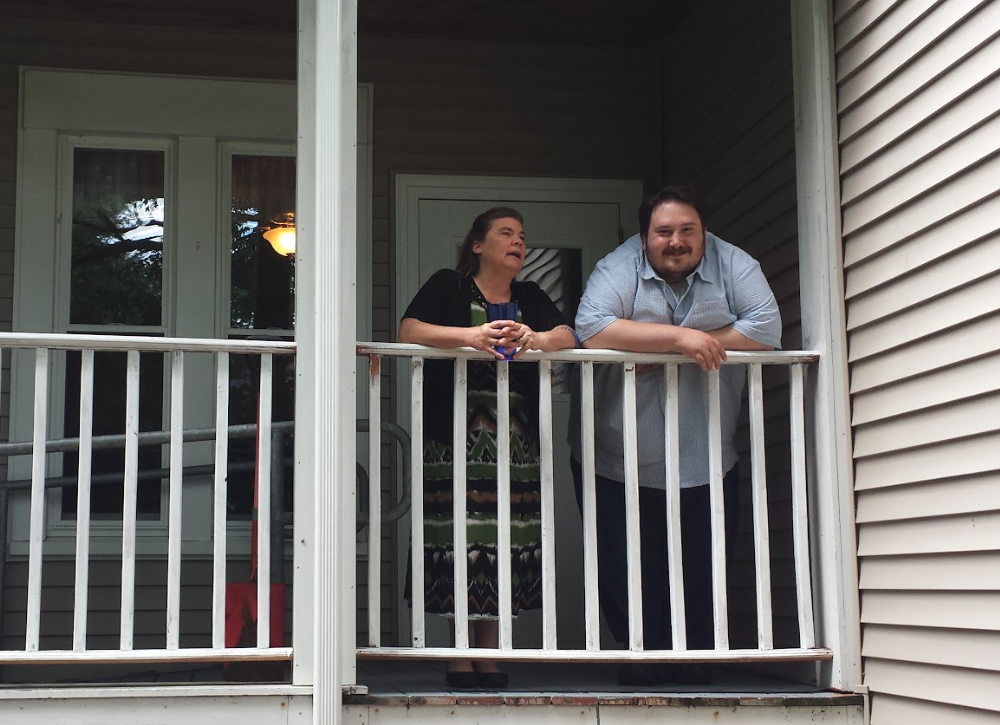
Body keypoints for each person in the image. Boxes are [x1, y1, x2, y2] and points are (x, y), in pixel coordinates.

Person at [569, 186, 781, 687]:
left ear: (704, 233)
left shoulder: (736, 265)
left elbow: (767, 328)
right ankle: (640, 658)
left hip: (703, 446)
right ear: (645, 237)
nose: (676, 241)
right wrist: (682, 339)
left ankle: (698, 659)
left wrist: (677, 351)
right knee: (625, 560)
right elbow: (592, 328)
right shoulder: (618, 267)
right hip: (617, 449)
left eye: (688, 230)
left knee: (704, 555)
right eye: (664, 232)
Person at [400, 207, 577, 689]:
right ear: (478, 245)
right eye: (506, 234)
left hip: (513, 445)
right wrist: (470, 337)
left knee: (501, 542)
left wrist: (535, 337)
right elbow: (409, 330)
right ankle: (460, 656)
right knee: (458, 541)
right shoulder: (450, 286)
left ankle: (492, 654)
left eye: (522, 235)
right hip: (453, 441)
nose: (518, 242)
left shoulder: (530, 296)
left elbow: (566, 335)